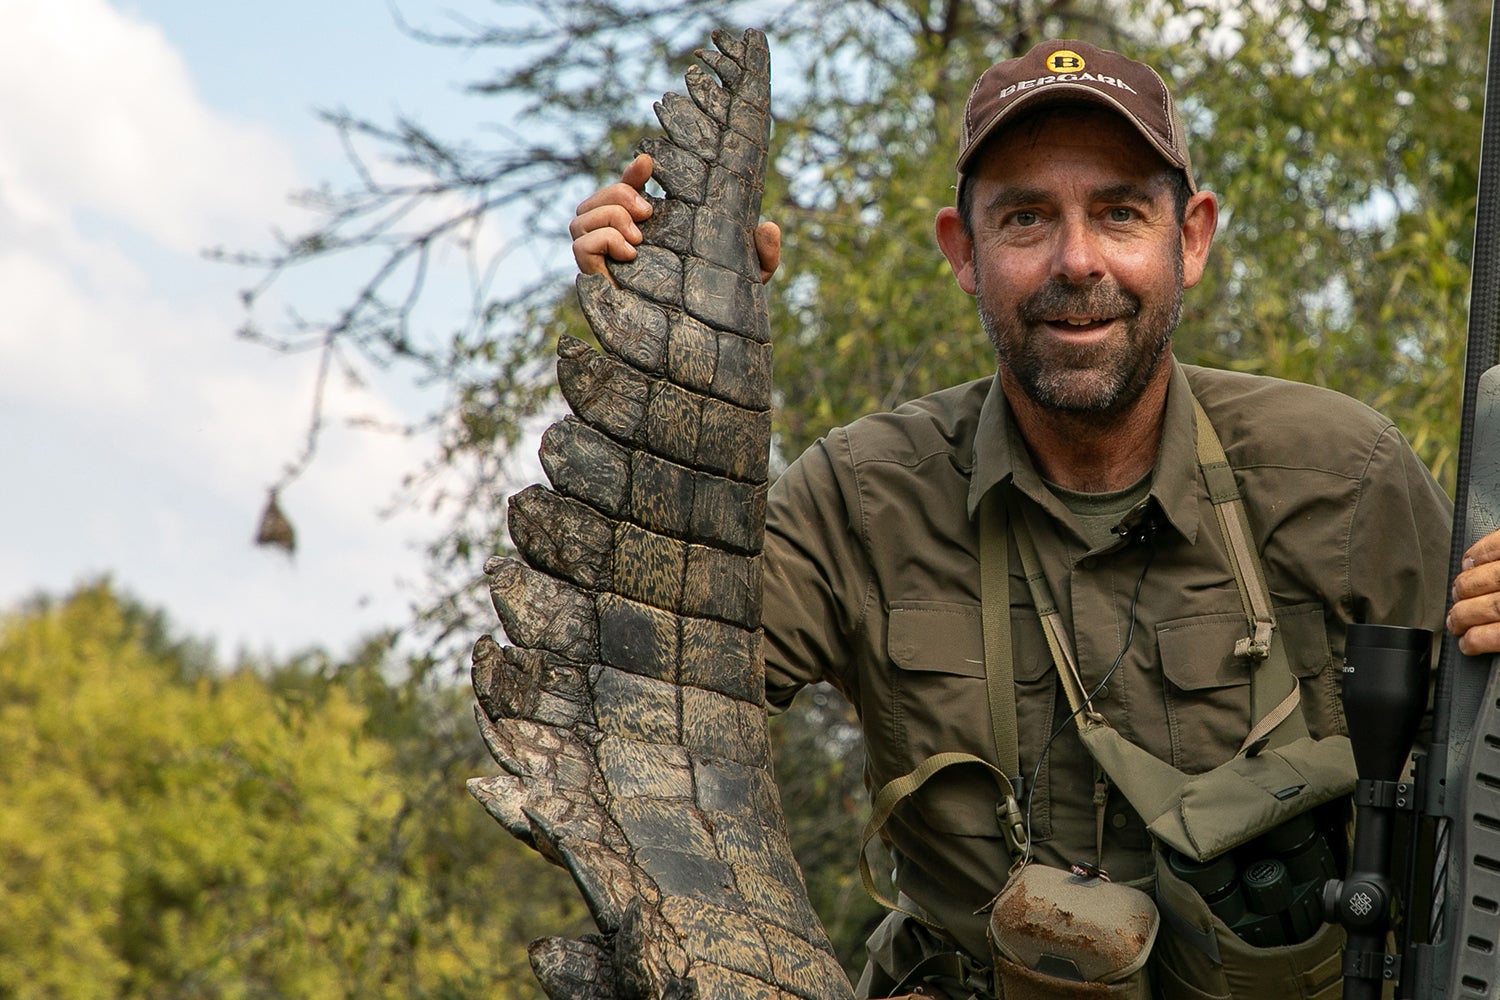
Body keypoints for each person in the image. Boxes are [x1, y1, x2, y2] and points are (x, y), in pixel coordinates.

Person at [571, 38, 1500, 999]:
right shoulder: (858, 495)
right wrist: (665, 375)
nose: (1077, 260)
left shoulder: (1345, 475)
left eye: (1120, 213)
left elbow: (1482, 794)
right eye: (1024, 219)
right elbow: (635, 691)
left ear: (1191, 238)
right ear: (962, 252)